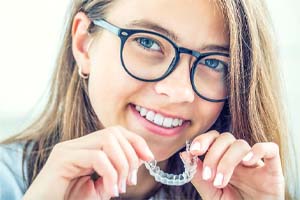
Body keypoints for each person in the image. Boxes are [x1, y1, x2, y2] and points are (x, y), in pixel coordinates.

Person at [0, 0, 297, 199]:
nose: (180, 91)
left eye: (215, 62)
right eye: (147, 42)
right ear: (84, 45)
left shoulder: (255, 187)